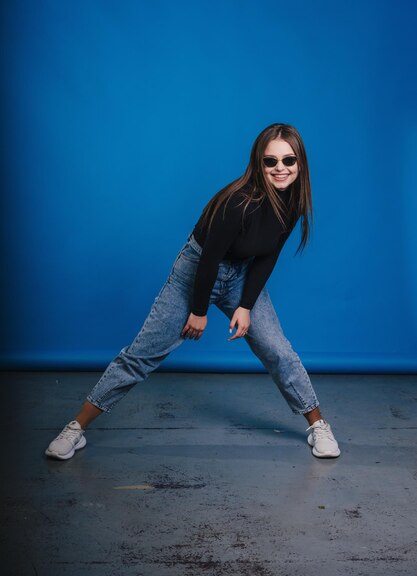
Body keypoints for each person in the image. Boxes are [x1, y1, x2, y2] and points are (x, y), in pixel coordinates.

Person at [45, 123, 340, 461]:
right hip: (197, 271)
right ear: (258, 163)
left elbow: (267, 255)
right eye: (270, 161)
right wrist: (199, 311)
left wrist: (245, 305)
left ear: (300, 162)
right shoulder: (238, 202)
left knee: (278, 351)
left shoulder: (293, 203)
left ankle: (317, 424)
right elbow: (209, 261)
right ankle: (76, 429)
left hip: (242, 275)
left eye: (288, 160)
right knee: (141, 355)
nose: (280, 169)